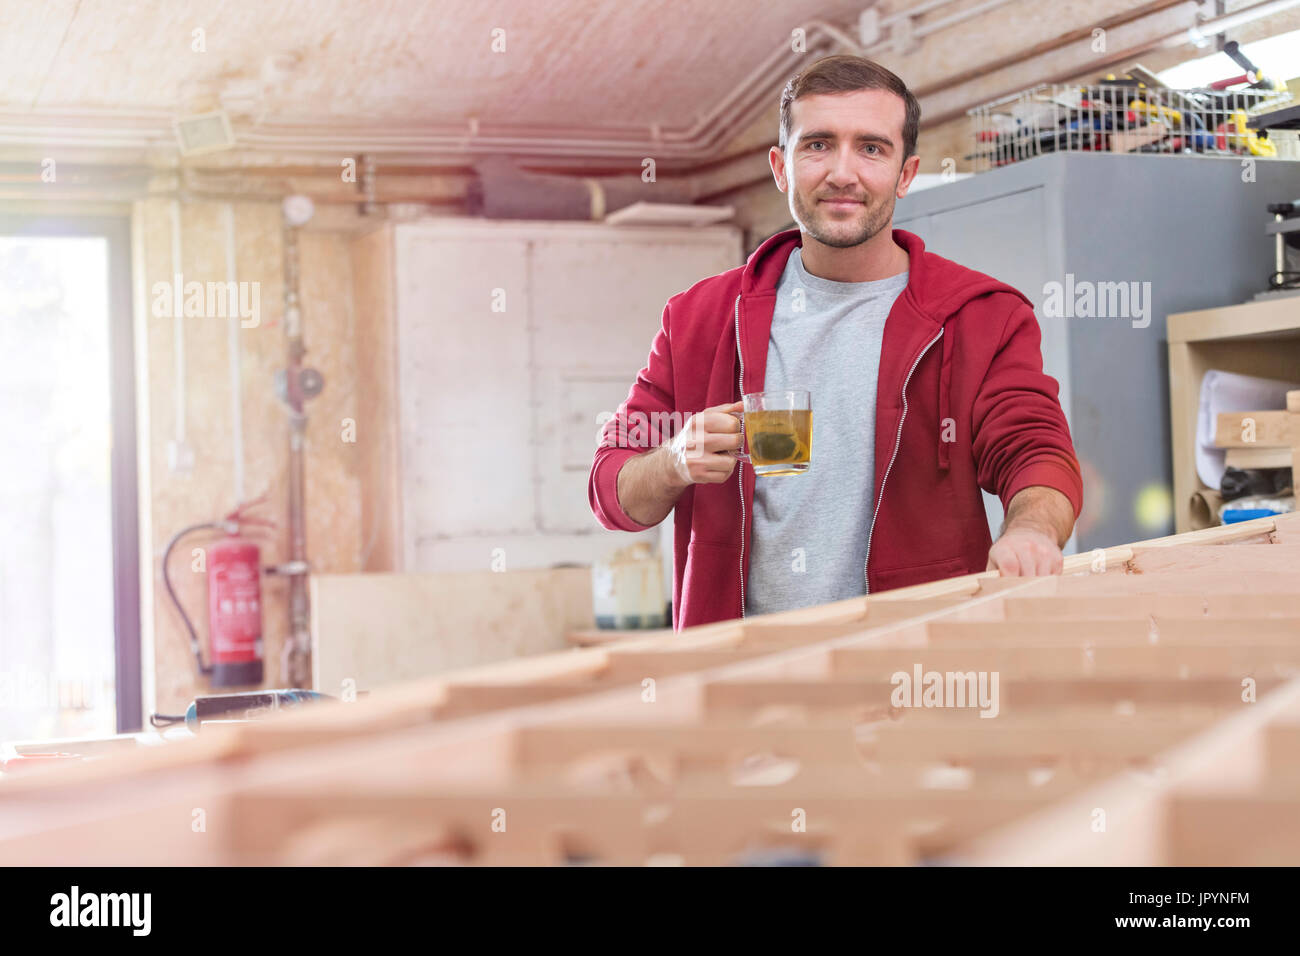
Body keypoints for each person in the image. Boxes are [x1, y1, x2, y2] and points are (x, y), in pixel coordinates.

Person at [588, 55, 1082, 630]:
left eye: (871, 148)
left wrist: (1030, 530)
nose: (842, 173)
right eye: (818, 145)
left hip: (919, 670)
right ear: (781, 167)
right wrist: (673, 461)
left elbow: (1036, 451)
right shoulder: (697, 318)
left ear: (905, 172)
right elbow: (610, 490)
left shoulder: (982, 315)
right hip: (744, 681)